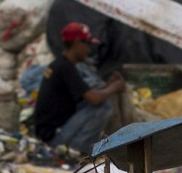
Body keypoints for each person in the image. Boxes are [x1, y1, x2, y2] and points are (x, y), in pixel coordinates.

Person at [33, 22, 126, 156]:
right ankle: (78, 151)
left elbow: (87, 94)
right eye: (87, 44)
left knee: (96, 100)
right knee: (103, 107)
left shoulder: (61, 63)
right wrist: (115, 87)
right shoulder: (65, 68)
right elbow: (94, 99)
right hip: (53, 136)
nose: (89, 50)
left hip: (51, 130)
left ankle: (80, 148)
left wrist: (108, 85)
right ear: (77, 43)